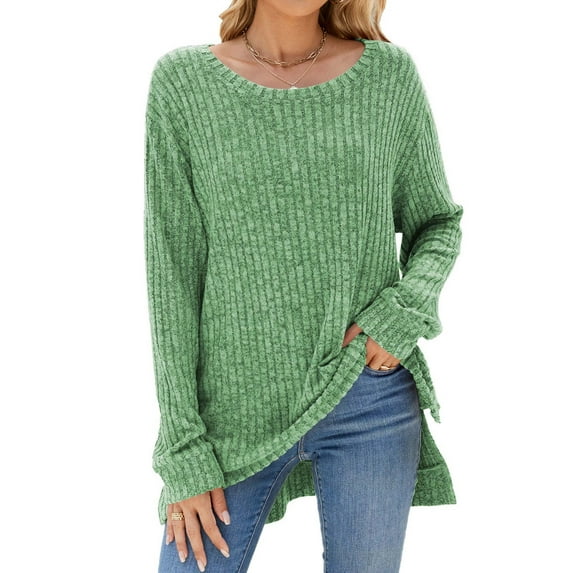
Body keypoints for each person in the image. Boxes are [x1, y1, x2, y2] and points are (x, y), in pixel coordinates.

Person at [143, 0, 464, 571]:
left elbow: (437, 223)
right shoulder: (183, 84)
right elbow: (172, 276)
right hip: (230, 419)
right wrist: (182, 448)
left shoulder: (388, 78)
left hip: (366, 397)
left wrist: (398, 318)